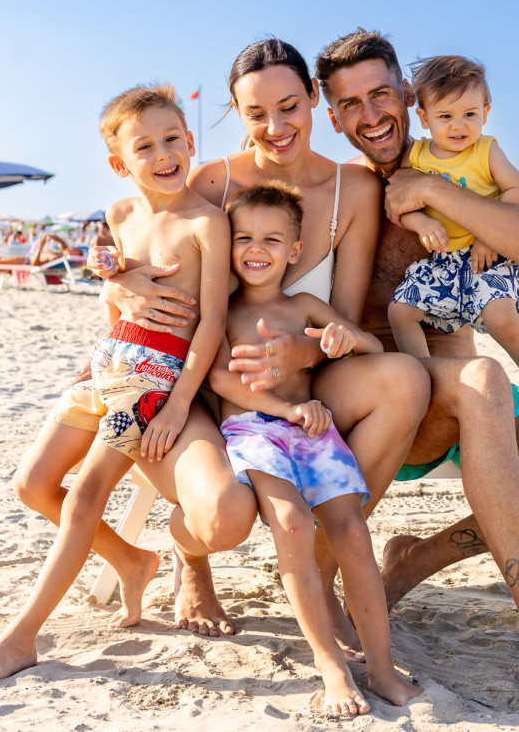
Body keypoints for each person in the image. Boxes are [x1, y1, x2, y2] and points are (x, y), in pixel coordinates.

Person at [301, 28, 519, 721]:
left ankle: (415, 562)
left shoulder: (468, 167)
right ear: (332, 116)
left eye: (381, 94)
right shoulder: (346, 192)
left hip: (467, 407)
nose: (371, 115)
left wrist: (435, 190)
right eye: (350, 104)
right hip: (393, 399)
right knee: (481, 378)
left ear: (408, 97)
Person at [96, 38, 429, 643]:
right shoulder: (210, 181)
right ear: (235, 115)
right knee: (222, 515)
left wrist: (305, 351)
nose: (275, 127)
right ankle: (191, 562)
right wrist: (116, 292)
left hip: (305, 374)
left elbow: (342, 315)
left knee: (407, 380)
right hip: (208, 381)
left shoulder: (353, 187)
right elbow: (154, 274)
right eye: (255, 114)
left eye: (289, 107)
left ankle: (324, 566)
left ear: (314, 102)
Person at [0, 83, 230, 682]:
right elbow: (118, 304)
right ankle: (131, 559)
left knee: (84, 494)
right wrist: (113, 275)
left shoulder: (207, 223)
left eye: (173, 139)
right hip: (104, 363)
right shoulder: (121, 215)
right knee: (33, 484)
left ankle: (22, 637)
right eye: (145, 145)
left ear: (190, 140)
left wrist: (179, 404)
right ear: (119, 163)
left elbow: (212, 323)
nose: (164, 154)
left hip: (154, 378)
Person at [210, 181, 421, 714]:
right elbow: (218, 378)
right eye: (244, 238)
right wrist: (284, 409)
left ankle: (379, 666)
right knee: (295, 525)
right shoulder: (223, 309)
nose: (257, 249)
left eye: (273, 240)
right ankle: (329, 665)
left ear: (295, 251)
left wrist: (345, 341)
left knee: (352, 531)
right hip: (256, 431)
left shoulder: (304, 303)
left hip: (311, 432)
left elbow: (369, 344)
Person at [387, 55, 519, 409]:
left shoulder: (486, 150)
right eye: (445, 116)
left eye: (470, 115)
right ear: (425, 117)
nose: (459, 126)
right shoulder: (416, 156)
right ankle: (423, 374)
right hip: (444, 260)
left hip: (488, 255)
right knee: (400, 311)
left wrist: (490, 235)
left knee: (501, 320)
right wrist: (423, 223)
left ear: (486, 112)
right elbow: (400, 206)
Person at [0, 232, 83, 266]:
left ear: (74, 254)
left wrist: (40, 247)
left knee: (0, 259)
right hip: (29, 257)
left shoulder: (57, 257)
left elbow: (36, 263)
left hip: (28, 261)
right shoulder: (62, 252)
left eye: (74, 249)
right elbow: (62, 242)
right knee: (0, 258)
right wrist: (52, 237)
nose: (71, 248)